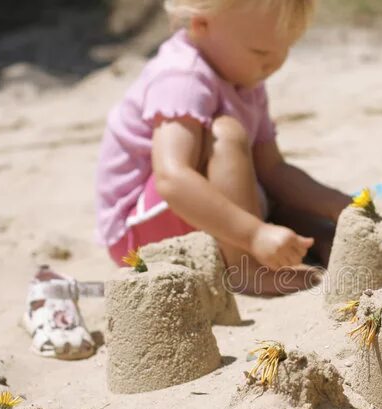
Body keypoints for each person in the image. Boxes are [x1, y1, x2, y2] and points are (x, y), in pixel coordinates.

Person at [25, 0, 350, 359]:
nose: (272, 63)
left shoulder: (245, 72)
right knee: (225, 133)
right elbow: (172, 177)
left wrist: (339, 205)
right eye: (260, 50)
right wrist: (255, 234)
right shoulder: (182, 76)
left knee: (312, 222)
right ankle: (246, 269)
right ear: (200, 25)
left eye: (284, 50)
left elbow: (273, 170)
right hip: (137, 226)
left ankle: (298, 238)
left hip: (195, 203)